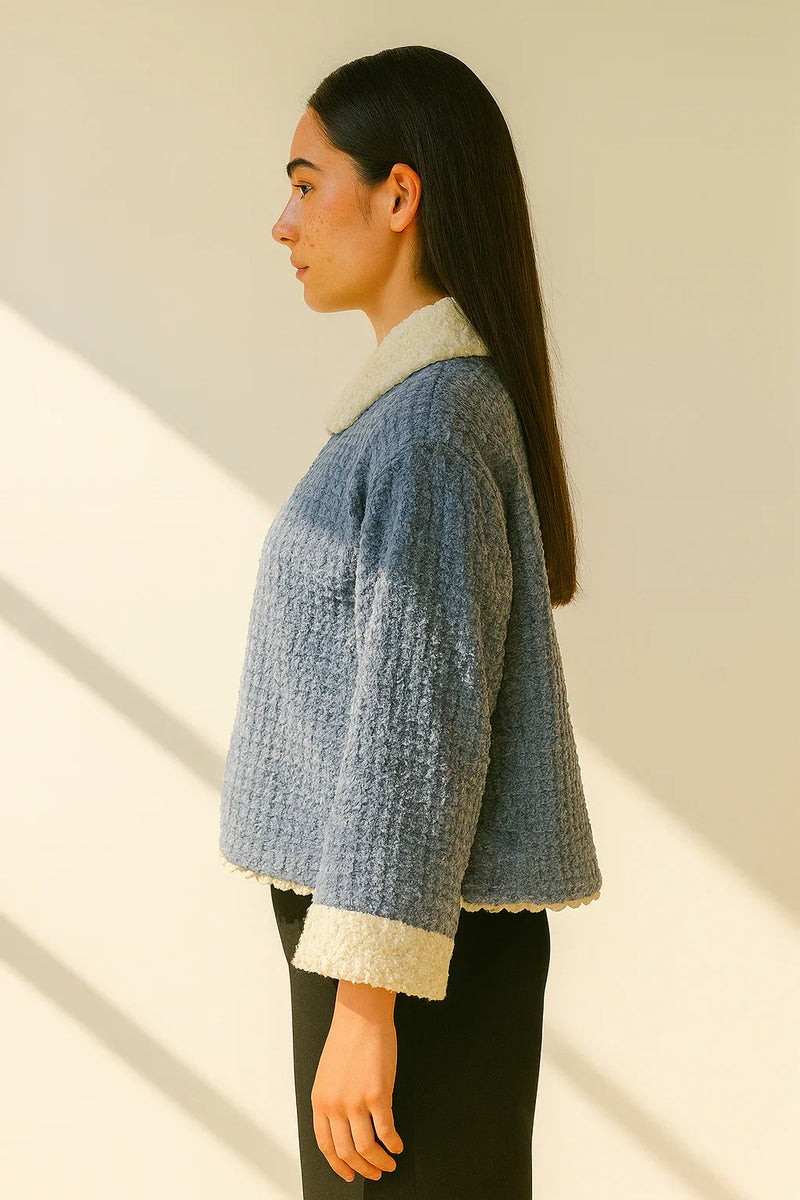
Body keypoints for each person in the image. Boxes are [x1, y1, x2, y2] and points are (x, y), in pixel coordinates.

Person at [219, 44, 603, 1199]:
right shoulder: (416, 416)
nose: (282, 224)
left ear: (397, 196)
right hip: (395, 949)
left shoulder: (427, 433)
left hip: (404, 965)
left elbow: (413, 742)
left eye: (305, 184)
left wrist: (362, 1010)